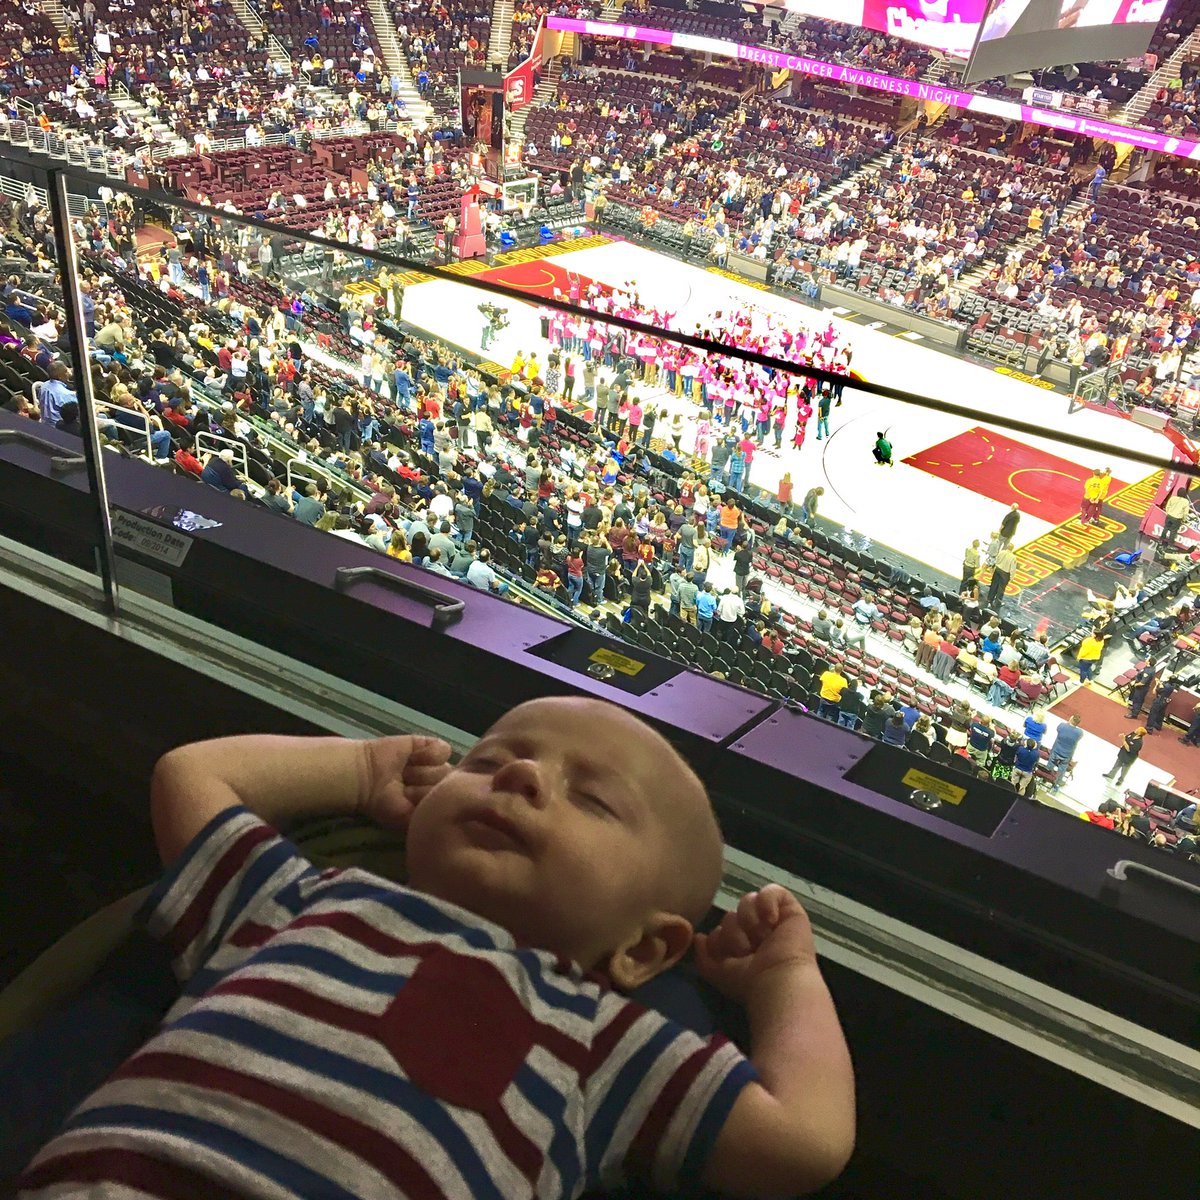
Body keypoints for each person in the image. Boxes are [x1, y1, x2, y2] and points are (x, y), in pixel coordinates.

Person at [20, 701, 854, 1197]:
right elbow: (189, 777)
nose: (521, 777)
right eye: (493, 757)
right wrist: (357, 769)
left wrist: (784, 977)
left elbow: (804, 1141)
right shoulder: (304, 897)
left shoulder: (600, 1040)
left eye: (592, 800)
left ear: (644, 951)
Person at [1046, 715, 1083, 790]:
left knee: (1050, 765)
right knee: (1061, 770)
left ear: (1071, 719)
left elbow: (1058, 729)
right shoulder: (1079, 732)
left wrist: (1068, 724)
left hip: (1056, 750)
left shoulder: (1062, 726)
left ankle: (1046, 777)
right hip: (1067, 754)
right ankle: (1056, 784)